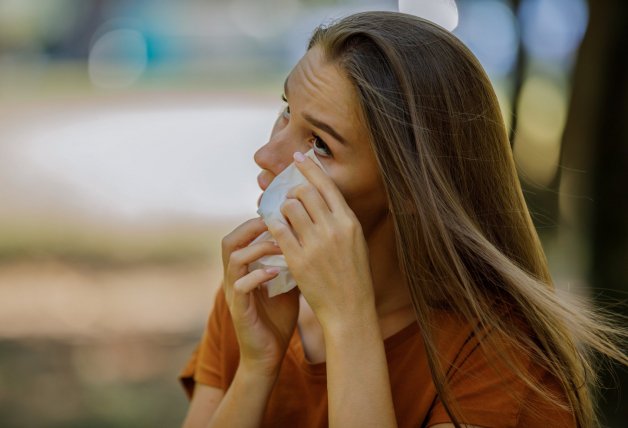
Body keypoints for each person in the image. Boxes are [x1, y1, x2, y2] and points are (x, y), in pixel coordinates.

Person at [179, 11, 627, 428]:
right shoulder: (258, 297)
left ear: (412, 189)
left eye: (319, 144)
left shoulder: (501, 358)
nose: (265, 156)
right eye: (286, 111)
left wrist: (349, 326)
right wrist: (258, 367)